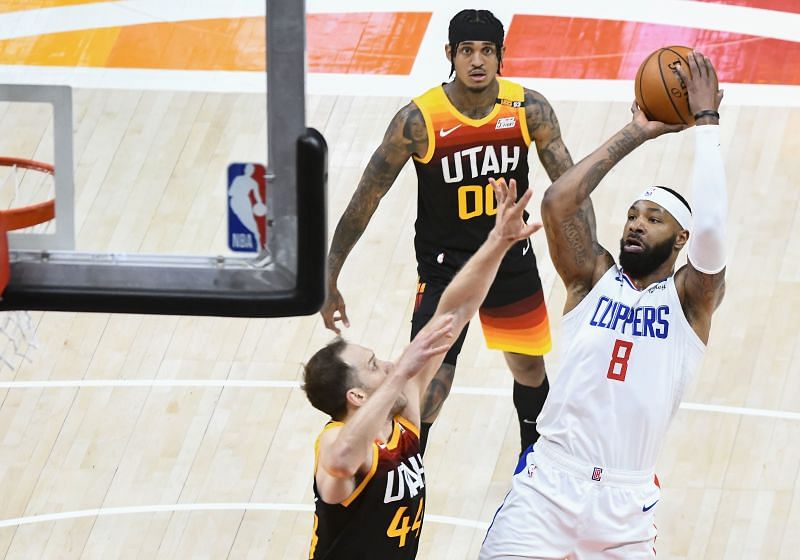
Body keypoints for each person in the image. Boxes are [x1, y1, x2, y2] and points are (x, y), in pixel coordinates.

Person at [480, 52, 726, 558]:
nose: (636, 223)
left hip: (625, 504)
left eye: (654, 218)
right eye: (633, 214)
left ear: (681, 238)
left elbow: (713, 231)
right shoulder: (592, 279)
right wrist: (637, 131)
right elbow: (557, 204)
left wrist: (705, 123)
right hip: (548, 486)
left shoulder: (689, 301)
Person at [320, 8, 587, 455]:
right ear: (450, 54)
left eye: (487, 51)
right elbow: (367, 198)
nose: (477, 60)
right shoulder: (419, 120)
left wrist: (587, 265)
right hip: (446, 271)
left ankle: (535, 463)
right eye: (467, 51)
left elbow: (572, 189)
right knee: (428, 382)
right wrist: (330, 273)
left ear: (502, 55)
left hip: (509, 260)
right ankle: (409, 468)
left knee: (529, 368)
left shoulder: (528, 108)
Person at [305, 179, 540, 559]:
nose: (387, 364)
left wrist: (497, 243)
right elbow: (341, 460)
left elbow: (454, 310)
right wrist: (399, 374)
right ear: (357, 396)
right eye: (373, 365)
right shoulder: (336, 440)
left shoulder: (403, 415)